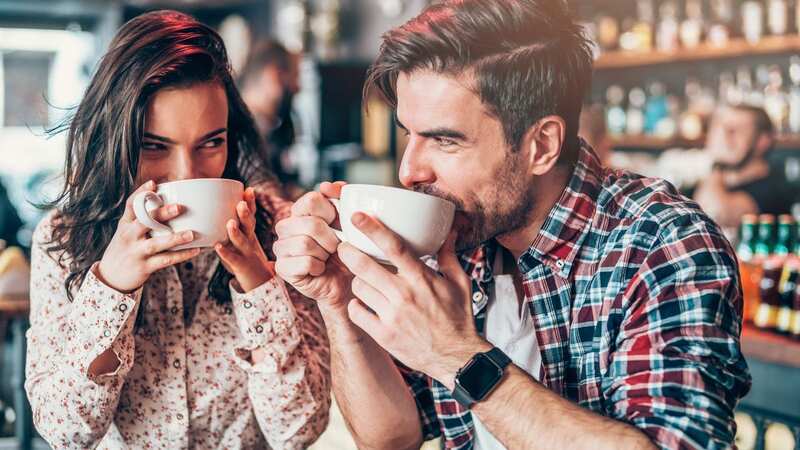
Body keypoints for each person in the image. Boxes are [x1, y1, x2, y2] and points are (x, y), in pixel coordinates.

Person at [273, 1, 751, 449]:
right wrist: (338, 301)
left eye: (445, 140)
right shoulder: (455, 237)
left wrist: (456, 356)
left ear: (541, 145)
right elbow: (392, 437)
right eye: (409, 135)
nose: (409, 170)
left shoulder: (661, 242)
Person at [25, 11, 329, 449]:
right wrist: (112, 288)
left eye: (211, 143)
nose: (186, 175)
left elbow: (298, 430)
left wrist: (259, 284)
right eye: (154, 146)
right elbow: (66, 432)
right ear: (113, 140)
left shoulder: (280, 230)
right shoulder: (62, 239)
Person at [693, 105, 793, 232]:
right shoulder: (714, 183)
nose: (723, 137)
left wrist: (717, 164)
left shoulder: (773, 190)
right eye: (720, 128)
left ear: (762, 141)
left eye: (735, 130)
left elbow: (716, 214)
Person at [238, 39, 303, 199]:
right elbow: (269, 198)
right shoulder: (241, 130)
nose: (297, 88)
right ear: (274, 75)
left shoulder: (268, 130)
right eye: (295, 77)